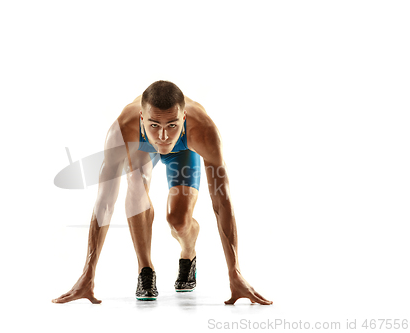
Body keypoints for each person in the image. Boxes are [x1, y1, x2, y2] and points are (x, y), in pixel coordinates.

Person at [52, 80, 272, 305]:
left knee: (178, 221)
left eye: (172, 125)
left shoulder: (204, 131)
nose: (164, 136)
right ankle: (145, 270)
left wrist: (234, 272)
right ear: (141, 119)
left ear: (184, 119)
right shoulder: (122, 131)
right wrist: (88, 273)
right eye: (154, 125)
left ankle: (188, 252)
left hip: (184, 149)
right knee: (135, 180)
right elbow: (104, 203)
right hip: (142, 146)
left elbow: (221, 201)